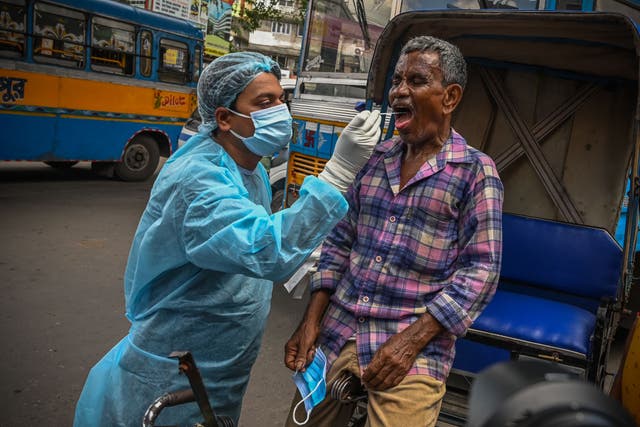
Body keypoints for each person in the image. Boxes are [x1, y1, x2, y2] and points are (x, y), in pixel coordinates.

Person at [73, 52, 381, 427]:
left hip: (218, 369)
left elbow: (242, 253)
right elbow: (265, 248)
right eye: (264, 103)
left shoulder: (249, 171)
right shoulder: (197, 179)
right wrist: (338, 172)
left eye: (281, 99)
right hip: (176, 369)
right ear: (223, 117)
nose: (280, 111)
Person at [284, 36, 503, 427]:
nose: (399, 91)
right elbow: (338, 243)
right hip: (340, 329)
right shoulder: (376, 158)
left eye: (416, 81)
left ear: (449, 98)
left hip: (413, 341)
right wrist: (311, 320)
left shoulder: (475, 171)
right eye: (397, 81)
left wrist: (411, 342)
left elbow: (480, 273)